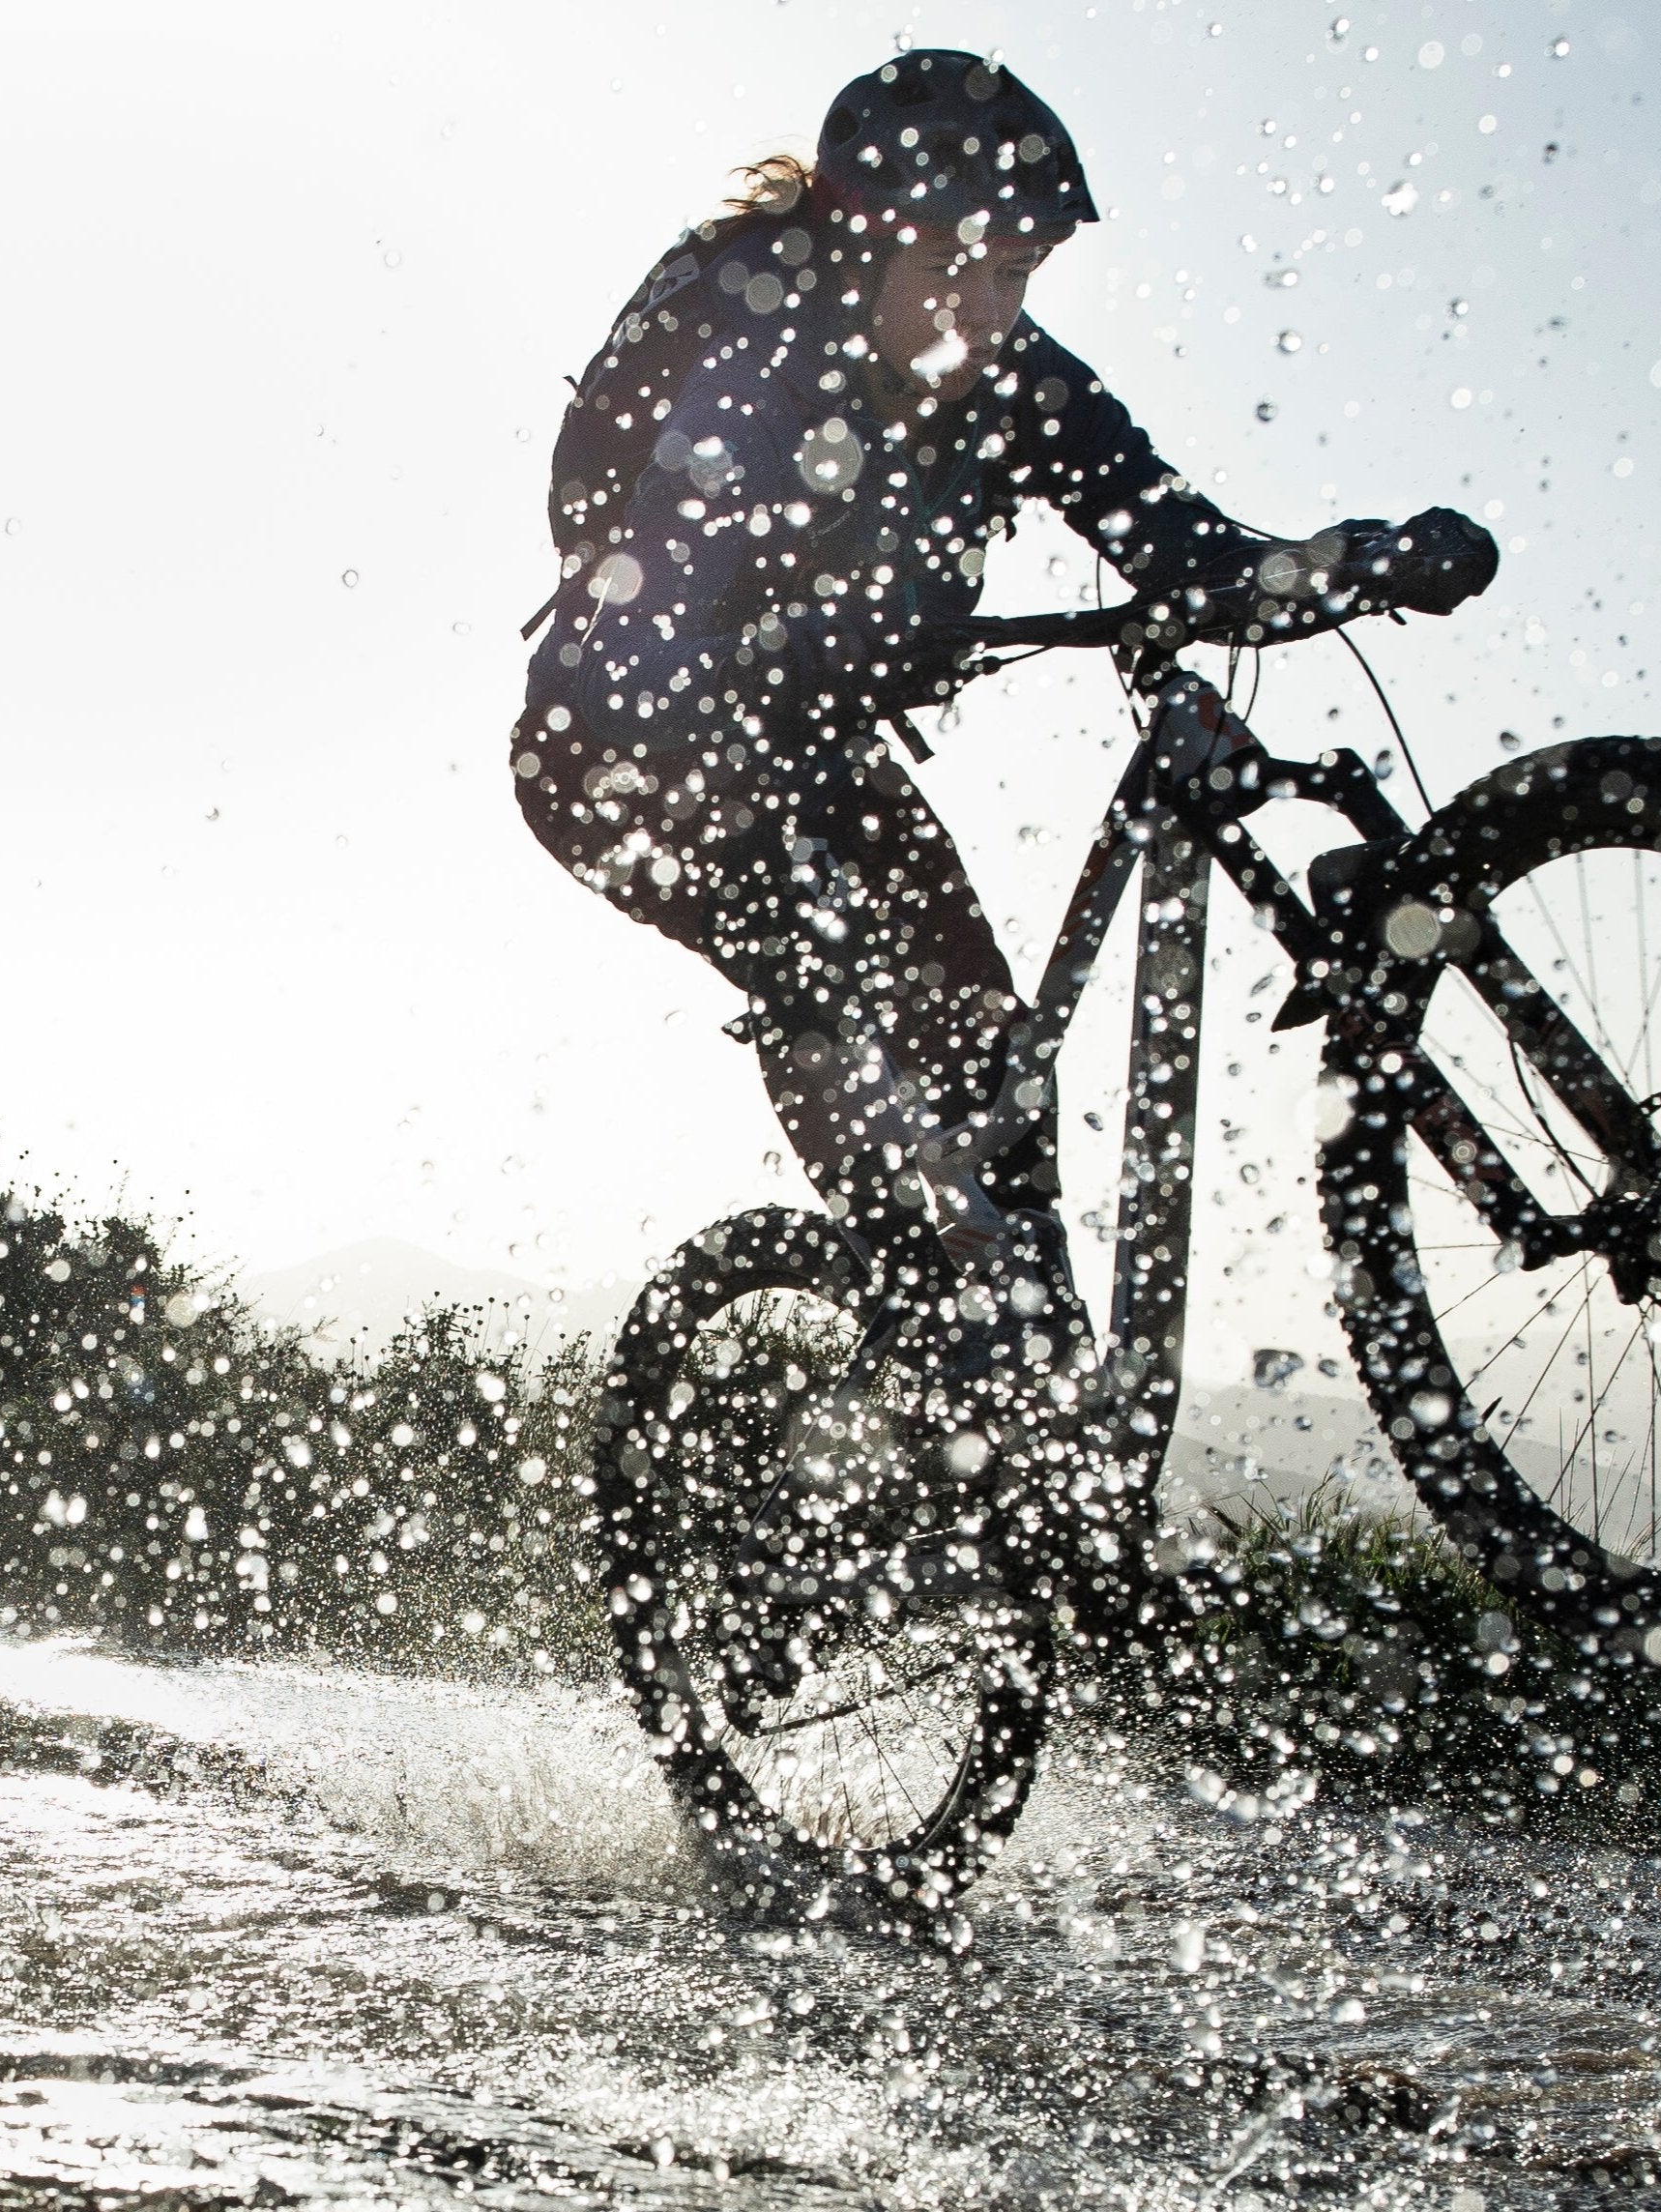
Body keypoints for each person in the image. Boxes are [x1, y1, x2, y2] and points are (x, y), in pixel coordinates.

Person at [512, 47, 1495, 1375]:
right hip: (619, 743)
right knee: (815, 948)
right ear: (858, 249)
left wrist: (1351, 559)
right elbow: (652, 589)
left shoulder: (1021, 379)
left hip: (809, 753)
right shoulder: (757, 360)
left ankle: (1046, 1384)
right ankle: (930, 1302)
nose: (977, 313)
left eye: (1015, 274)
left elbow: (1183, 545)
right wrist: (767, 656)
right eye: (945, 269)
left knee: (992, 1048)